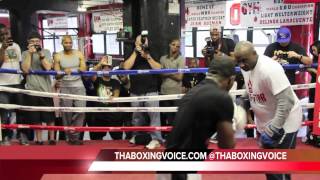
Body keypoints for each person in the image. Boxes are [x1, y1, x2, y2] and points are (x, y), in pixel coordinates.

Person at [234, 41, 303, 180]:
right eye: (238, 61)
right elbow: (251, 84)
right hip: (265, 123)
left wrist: (273, 129)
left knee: (278, 170)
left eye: (244, 60)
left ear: (254, 54)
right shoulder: (246, 67)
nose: (241, 65)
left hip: (285, 123)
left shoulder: (269, 69)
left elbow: (287, 101)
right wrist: (243, 99)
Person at [165, 57, 236, 180]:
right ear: (231, 79)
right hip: (182, 168)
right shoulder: (222, 98)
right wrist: (237, 126)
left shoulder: (193, 91)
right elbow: (226, 144)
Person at [123, 33, 163, 149]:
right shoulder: (131, 52)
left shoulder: (152, 51)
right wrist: (136, 52)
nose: (142, 43)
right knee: (137, 117)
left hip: (151, 89)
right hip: (135, 89)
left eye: (143, 41)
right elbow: (126, 67)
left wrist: (148, 56)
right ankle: (137, 136)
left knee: (154, 116)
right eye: (139, 41)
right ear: (136, 43)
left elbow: (159, 68)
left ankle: (156, 139)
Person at [21, 32, 56, 145]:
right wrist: (30, 54)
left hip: (45, 89)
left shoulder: (46, 52)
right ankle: (39, 139)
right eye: (33, 42)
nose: (35, 44)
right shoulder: (25, 53)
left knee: (50, 117)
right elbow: (25, 70)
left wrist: (40, 54)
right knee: (36, 118)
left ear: (40, 42)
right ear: (28, 42)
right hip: (32, 89)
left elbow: (47, 67)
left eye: (37, 41)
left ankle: (52, 138)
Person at [54, 35, 86, 145]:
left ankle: (74, 134)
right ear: (62, 43)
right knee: (66, 113)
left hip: (78, 84)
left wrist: (72, 70)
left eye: (70, 42)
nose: (68, 44)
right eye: (66, 43)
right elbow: (56, 75)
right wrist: (63, 72)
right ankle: (71, 138)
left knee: (81, 110)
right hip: (65, 85)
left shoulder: (78, 53)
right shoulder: (58, 56)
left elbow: (84, 68)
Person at [0, 24, 23, 145]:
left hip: (16, 83)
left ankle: (21, 135)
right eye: (2, 35)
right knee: (4, 112)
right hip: (2, 85)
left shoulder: (16, 46)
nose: (5, 36)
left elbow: (20, 64)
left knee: (20, 111)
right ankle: (5, 136)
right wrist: (2, 49)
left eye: (6, 34)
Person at [89, 56, 123, 140]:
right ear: (101, 69)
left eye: (109, 68)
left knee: (117, 140)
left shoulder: (115, 82)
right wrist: (100, 63)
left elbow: (115, 96)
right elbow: (91, 73)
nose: (107, 69)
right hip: (100, 115)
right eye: (105, 68)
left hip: (113, 115)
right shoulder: (98, 80)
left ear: (111, 70)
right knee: (96, 140)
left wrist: (109, 97)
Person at [160, 38, 184, 137]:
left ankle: (176, 137)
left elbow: (179, 77)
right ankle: (167, 137)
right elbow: (160, 74)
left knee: (176, 117)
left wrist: (167, 72)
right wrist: (171, 72)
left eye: (178, 46)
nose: (175, 47)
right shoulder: (162, 58)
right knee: (166, 116)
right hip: (164, 91)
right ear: (169, 45)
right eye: (173, 44)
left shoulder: (181, 59)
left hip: (176, 93)